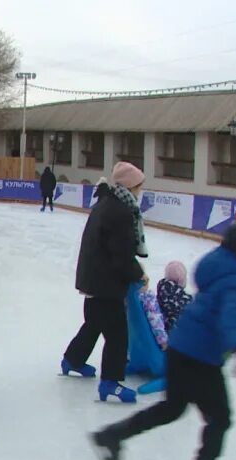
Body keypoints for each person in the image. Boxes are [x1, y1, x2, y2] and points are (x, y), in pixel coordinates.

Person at [90, 222, 236, 460]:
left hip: (179, 347)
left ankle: (112, 435)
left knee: (171, 408)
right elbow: (227, 325)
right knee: (220, 419)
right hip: (202, 358)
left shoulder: (216, 264)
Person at [61, 165, 149, 404]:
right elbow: (121, 254)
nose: (142, 190)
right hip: (105, 280)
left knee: (95, 322)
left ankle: (73, 359)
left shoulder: (106, 203)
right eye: (140, 185)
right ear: (131, 186)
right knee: (118, 335)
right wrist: (138, 274)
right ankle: (110, 383)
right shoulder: (120, 211)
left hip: (95, 277)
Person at [156, 261, 192, 332]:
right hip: (179, 333)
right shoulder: (186, 299)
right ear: (182, 279)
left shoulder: (161, 292)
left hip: (162, 331)